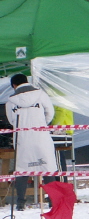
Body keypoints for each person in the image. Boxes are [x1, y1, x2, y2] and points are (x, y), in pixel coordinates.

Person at [5, 74, 57, 210]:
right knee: (47, 168)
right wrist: (41, 124)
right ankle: (52, 200)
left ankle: (21, 202)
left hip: (22, 139)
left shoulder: (10, 102)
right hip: (41, 136)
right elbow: (50, 113)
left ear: (14, 86)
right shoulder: (41, 95)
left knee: (22, 170)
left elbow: (11, 121)